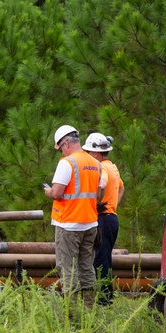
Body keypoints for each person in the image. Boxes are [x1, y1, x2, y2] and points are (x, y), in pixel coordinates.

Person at [43, 125, 106, 296]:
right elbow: (98, 195)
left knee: (67, 268)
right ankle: (88, 310)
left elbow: (57, 193)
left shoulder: (67, 163)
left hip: (68, 224)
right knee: (86, 268)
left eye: (61, 148)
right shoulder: (96, 164)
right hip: (90, 223)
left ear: (66, 144)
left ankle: (72, 314)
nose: (62, 152)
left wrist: (48, 191)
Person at [84, 132, 125, 305]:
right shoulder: (112, 166)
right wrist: (112, 205)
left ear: (95, 153)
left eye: (88, 152)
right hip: (111, 218)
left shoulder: (103, 168)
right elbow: (122, 188)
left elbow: (101, 184)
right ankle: (106, 297)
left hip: (103, 218)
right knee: (105, 258)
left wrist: (96, 203)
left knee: (100, 260)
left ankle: (104, 300)